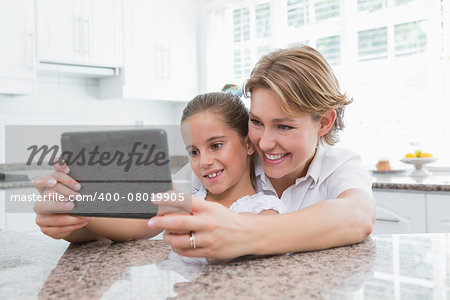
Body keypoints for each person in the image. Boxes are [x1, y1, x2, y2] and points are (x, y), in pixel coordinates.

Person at [147, 45, 376, 260]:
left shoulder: (339, 166)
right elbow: (143, 216)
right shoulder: (233, 161)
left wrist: (245, 233)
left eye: (284, 126)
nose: (264, 143)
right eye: (256, 122)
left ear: (324, 123)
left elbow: (358, 216)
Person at [32, 92, 283, 243]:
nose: (203, 161)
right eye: (193, 152)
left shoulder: (265, 209)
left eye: (216, 145)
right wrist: (75, 205)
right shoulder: (187, 199)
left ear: (249, 144)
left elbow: (244, 238)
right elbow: (130, 229)